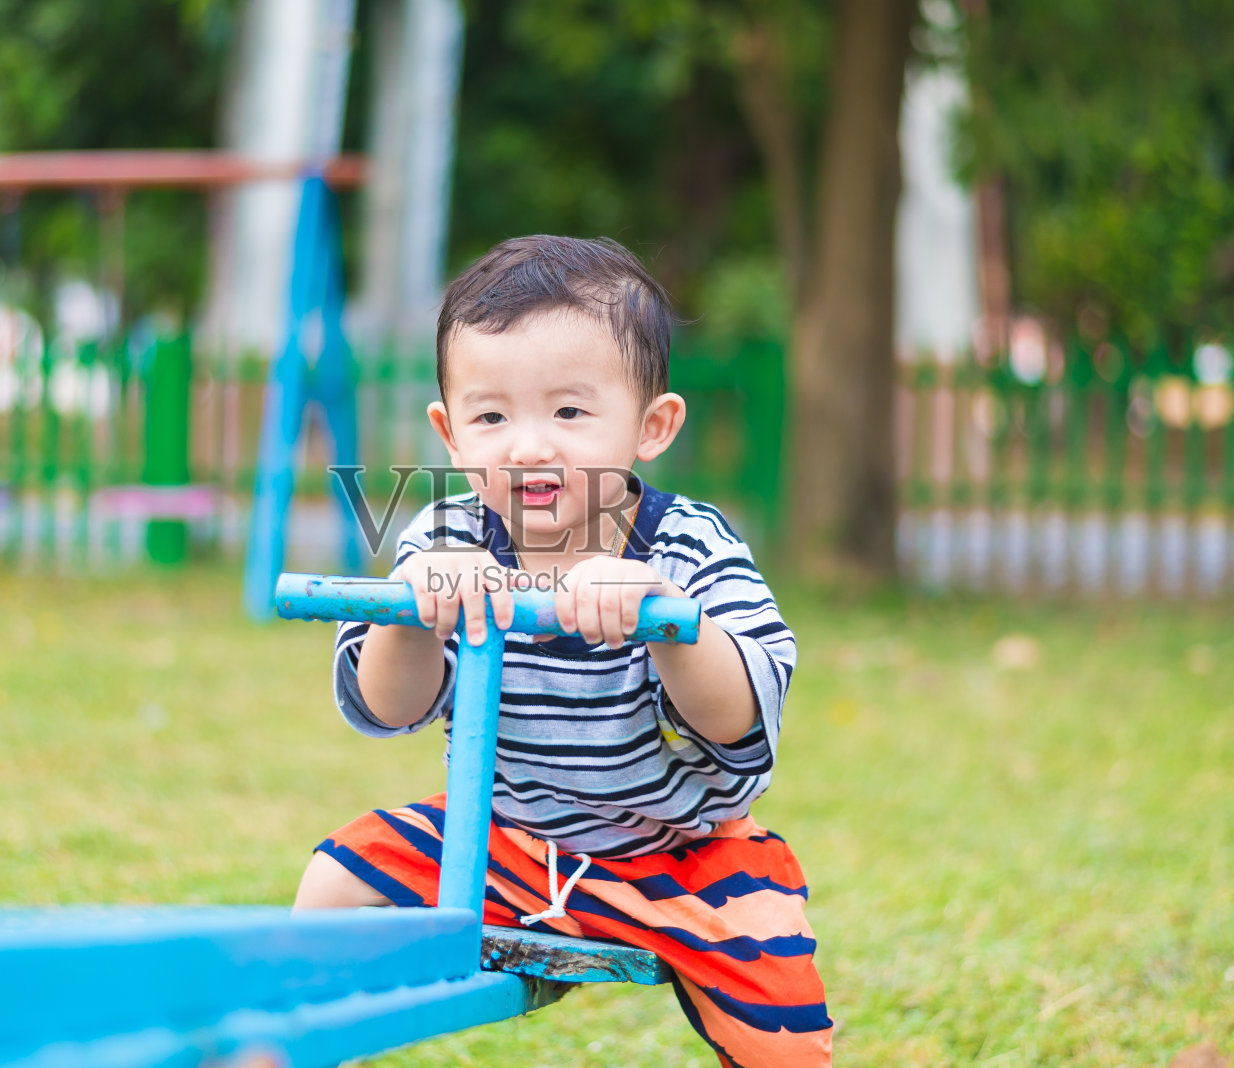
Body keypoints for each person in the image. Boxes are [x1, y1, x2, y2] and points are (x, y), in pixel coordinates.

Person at [293, 236, 832, 1067]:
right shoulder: (445, 536)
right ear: (449, 432)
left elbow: (740, 720)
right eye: (492, 416)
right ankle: (291, 1045)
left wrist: (668, 620)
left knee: (780, 1012)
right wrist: (416, 613)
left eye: (570, 413)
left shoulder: (688, 548)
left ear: (652, 427)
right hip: (501, 843)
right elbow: (388, 706)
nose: (529, 447)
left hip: (679, 858)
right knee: (337, 876)